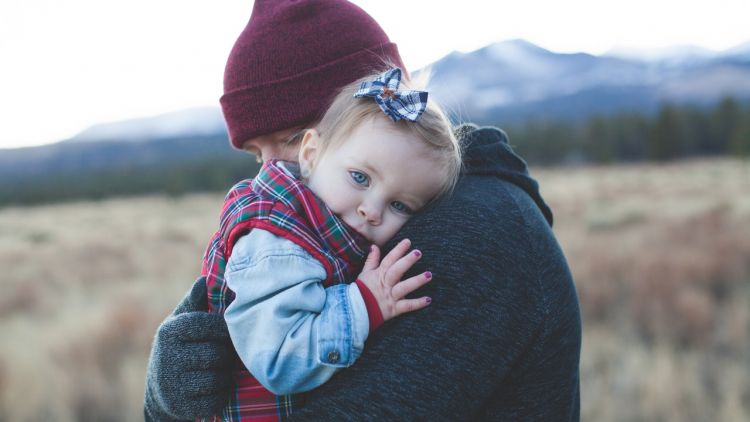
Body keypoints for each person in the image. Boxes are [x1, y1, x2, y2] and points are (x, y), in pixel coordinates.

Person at [144, 1, 581, 421]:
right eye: (258, 156)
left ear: (377, 107)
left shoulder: (473, 234)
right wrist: (164, 396)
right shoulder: (339, 227)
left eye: (295, 139)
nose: (274, 174)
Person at [199, 67, 461, 420]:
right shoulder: (277, 242)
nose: (372, 210)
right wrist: (364, 303)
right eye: (359, 177)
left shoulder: (324, 227)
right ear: (310, 153)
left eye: (399, 205)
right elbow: (278, 360)